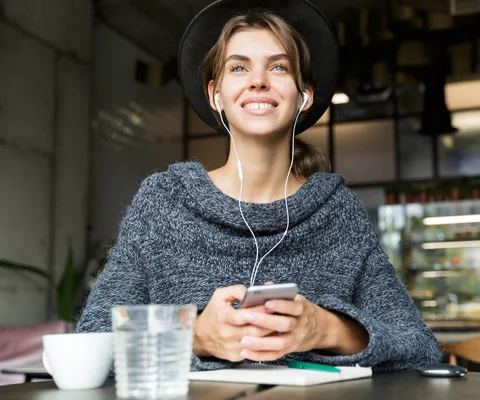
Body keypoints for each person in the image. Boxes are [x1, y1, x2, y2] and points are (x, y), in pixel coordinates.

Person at [75, 0, 442, 372]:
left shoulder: (337, 212)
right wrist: (197, 336)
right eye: (239, 67)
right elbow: (91, 340)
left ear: (305, 95)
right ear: (215, 94)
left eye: (279, 66)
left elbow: (419, 349)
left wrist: (327, 329)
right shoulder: (163, 202)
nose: (258, 80)